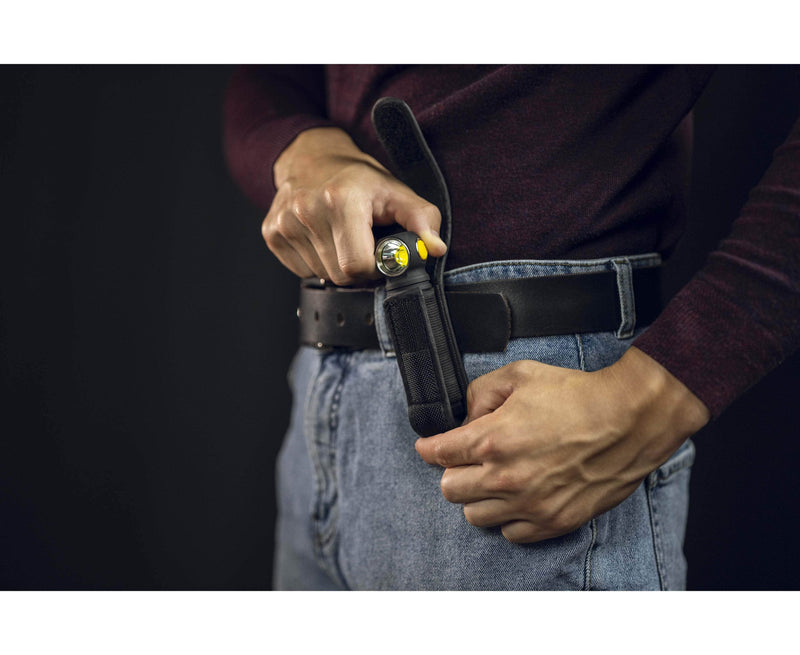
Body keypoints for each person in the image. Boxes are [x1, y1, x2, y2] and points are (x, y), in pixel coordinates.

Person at [223, 65, 800, 590]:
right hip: (322, 407)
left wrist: (658, 395)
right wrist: (304, 151)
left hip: (521, 414)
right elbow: (269, 72)